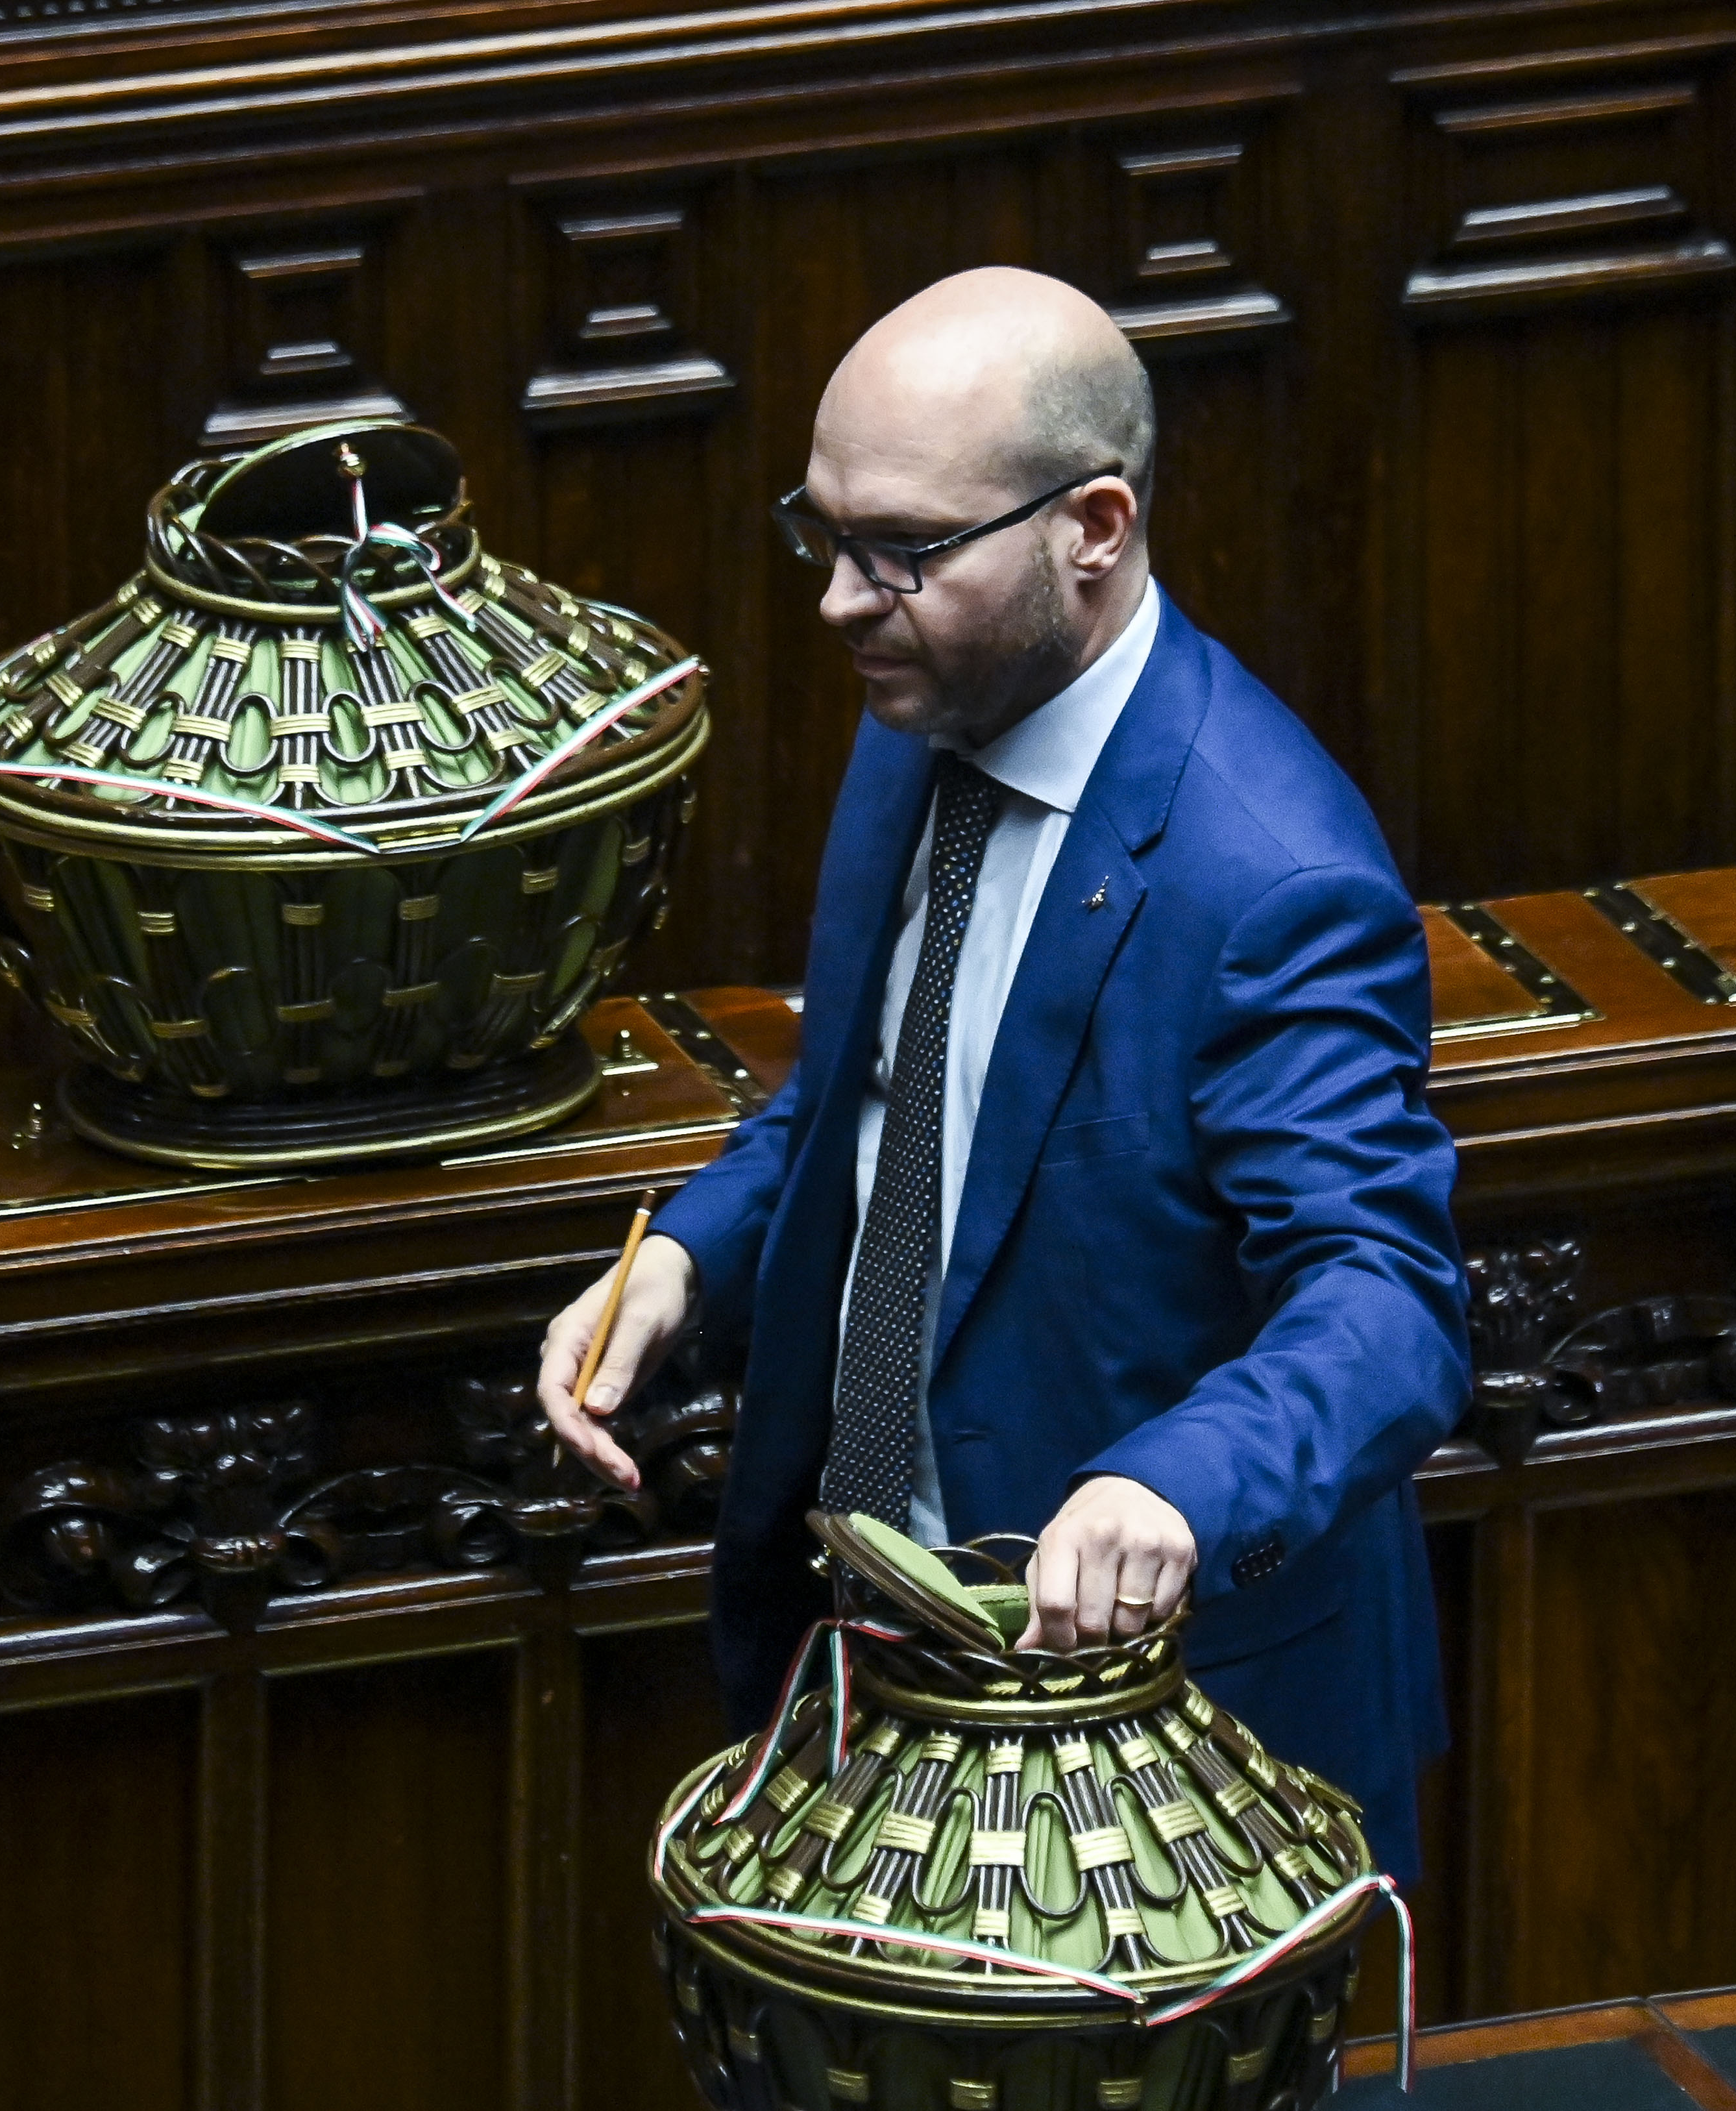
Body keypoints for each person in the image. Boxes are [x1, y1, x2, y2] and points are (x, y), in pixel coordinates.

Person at [533, 265, 1467, 1876]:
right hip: (877, 1663)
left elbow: (1386, 1297)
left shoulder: (1268, 879)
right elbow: (879, 1093)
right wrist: (684, 1260)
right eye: (824, 535)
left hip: (1172, 1749)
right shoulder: (923, 715)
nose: (840, 602)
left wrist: (1177, 1487)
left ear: (1092, 527)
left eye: (901, 551)